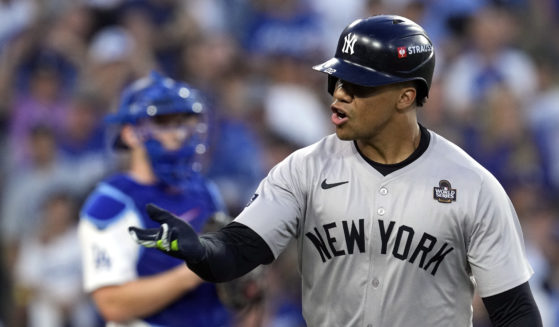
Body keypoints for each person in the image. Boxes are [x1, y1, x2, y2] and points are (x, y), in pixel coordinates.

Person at [128, 15, 542, 326]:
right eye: (336, 81)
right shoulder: (303, 170)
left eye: (358, 85)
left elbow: (515, 311)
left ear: (406, 96)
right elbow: (238, 250)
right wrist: (201, 251)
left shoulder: (472, 186)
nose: (340, 95)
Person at [78, 71, 232, 326]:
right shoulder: (111, 203)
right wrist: (192, 273)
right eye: (164, 122)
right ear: (130, 134)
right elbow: (112, 304)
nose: (179, 133)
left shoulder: (206, 191)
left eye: (184, 122)